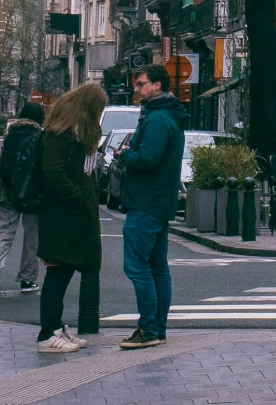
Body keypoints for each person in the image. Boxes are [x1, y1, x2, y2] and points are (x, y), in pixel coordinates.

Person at [114, 64, 186, 350]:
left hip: (146, 201)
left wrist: (126, 154)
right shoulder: (168, 116)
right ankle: (157, 327)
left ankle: (148, 327)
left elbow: (147, 159)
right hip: (159, 200)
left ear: (157, 86)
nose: (136, 88)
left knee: (137, 266)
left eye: (141, 84)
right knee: (157, 267)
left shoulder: (157, 119)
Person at [33, 81, 105, 354]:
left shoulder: (71, 130)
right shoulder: (62, 133)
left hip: (69, 212)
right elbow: (53, 172)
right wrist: (76, 197)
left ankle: (55, 326)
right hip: (63, 213)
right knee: (58, 271)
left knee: (63, 271)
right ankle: (47, 333)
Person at [0, 100, 44, 296]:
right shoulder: (40, 137)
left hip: (7, 193)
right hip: (31, 195)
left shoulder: (10, 137)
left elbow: (0, 168)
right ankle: (27, 278)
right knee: (31, 238)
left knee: (6, 234)